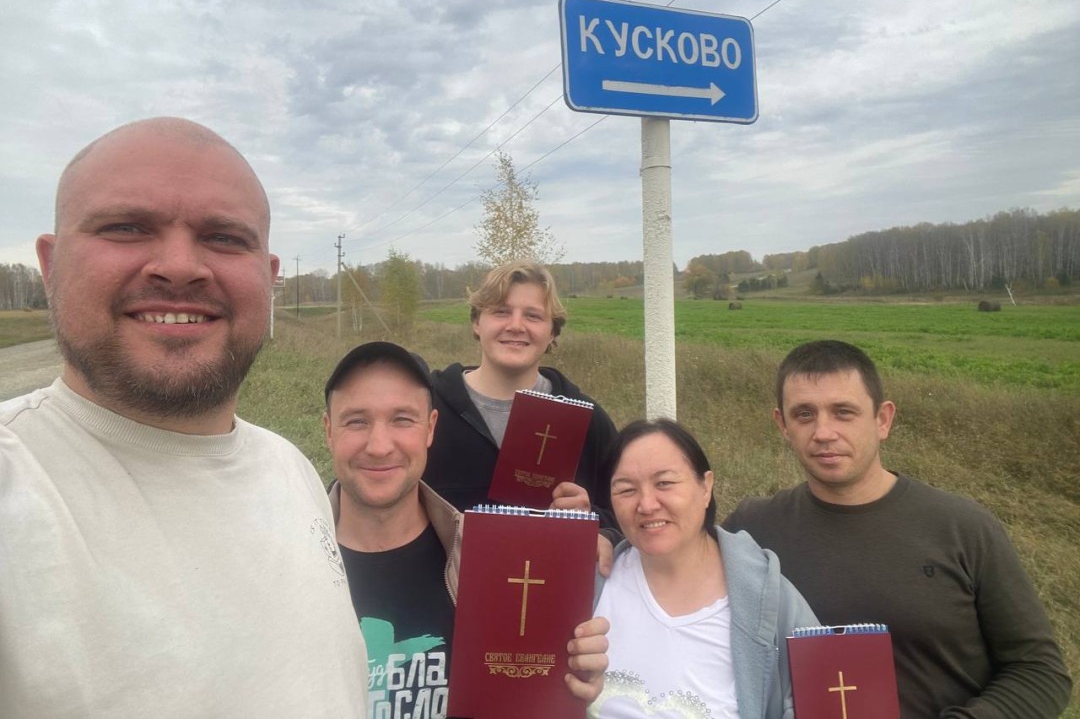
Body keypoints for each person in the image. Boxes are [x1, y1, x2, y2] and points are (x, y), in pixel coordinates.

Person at [0, 118, 368, 718]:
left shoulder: (291, 467)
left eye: (223, 237)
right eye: (126, 227)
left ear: (269, 278)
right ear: (50, 264)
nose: (178, 266)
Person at [723, 340, 1072, 717]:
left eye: (843, 412)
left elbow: (1039, 672)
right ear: (783, 425)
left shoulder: (964, 528)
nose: (823, 432)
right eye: (804, 414)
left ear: (883, 420)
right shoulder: (750, 531)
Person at [323, 340, 609, 718]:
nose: (379, 446)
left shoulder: (491, 563)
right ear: (328, 430)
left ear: (430, 428)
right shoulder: (283, 565)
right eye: (357, 421)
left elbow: (522, 699)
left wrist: (566, 680)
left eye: (402, 419)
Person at [592, 418, 816, 719]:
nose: (646, 505)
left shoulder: (771, 604)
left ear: (706, 487)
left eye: (665, 483)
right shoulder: (590, 584)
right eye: (626, 490)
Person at [421, 260, 620, 554]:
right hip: (440, 583)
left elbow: (627, 512)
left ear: (552, 333)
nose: (516, 326)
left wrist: (598, 524)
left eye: (533, 316)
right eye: (501, 311)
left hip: (549, 581)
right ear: (477, 322)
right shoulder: (426, 409)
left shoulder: (586, 420)